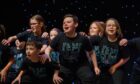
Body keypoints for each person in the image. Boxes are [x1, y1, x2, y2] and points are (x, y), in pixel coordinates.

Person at [45, 14, 100, 84]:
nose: (65, 24)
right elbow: (48, 49)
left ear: (76, 24)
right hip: (65, 66)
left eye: (68, 22)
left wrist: (95, 67)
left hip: (81, 65)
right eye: (64, 23)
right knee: (58, 80)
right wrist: (47, 55)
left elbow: (91, 52)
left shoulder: (83, 38)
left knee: (89, 77)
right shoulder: (59, 37)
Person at [90, 18, 130, 84]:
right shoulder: (100, 39)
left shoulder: (121, 42)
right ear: (105, 28)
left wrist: (114, 67)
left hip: (116, 67)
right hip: (102, 67)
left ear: (117, 28)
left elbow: (126, 57)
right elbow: (86, 41)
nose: (111, 27)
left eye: (113, 26)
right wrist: (95, 66)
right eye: (109, 25)